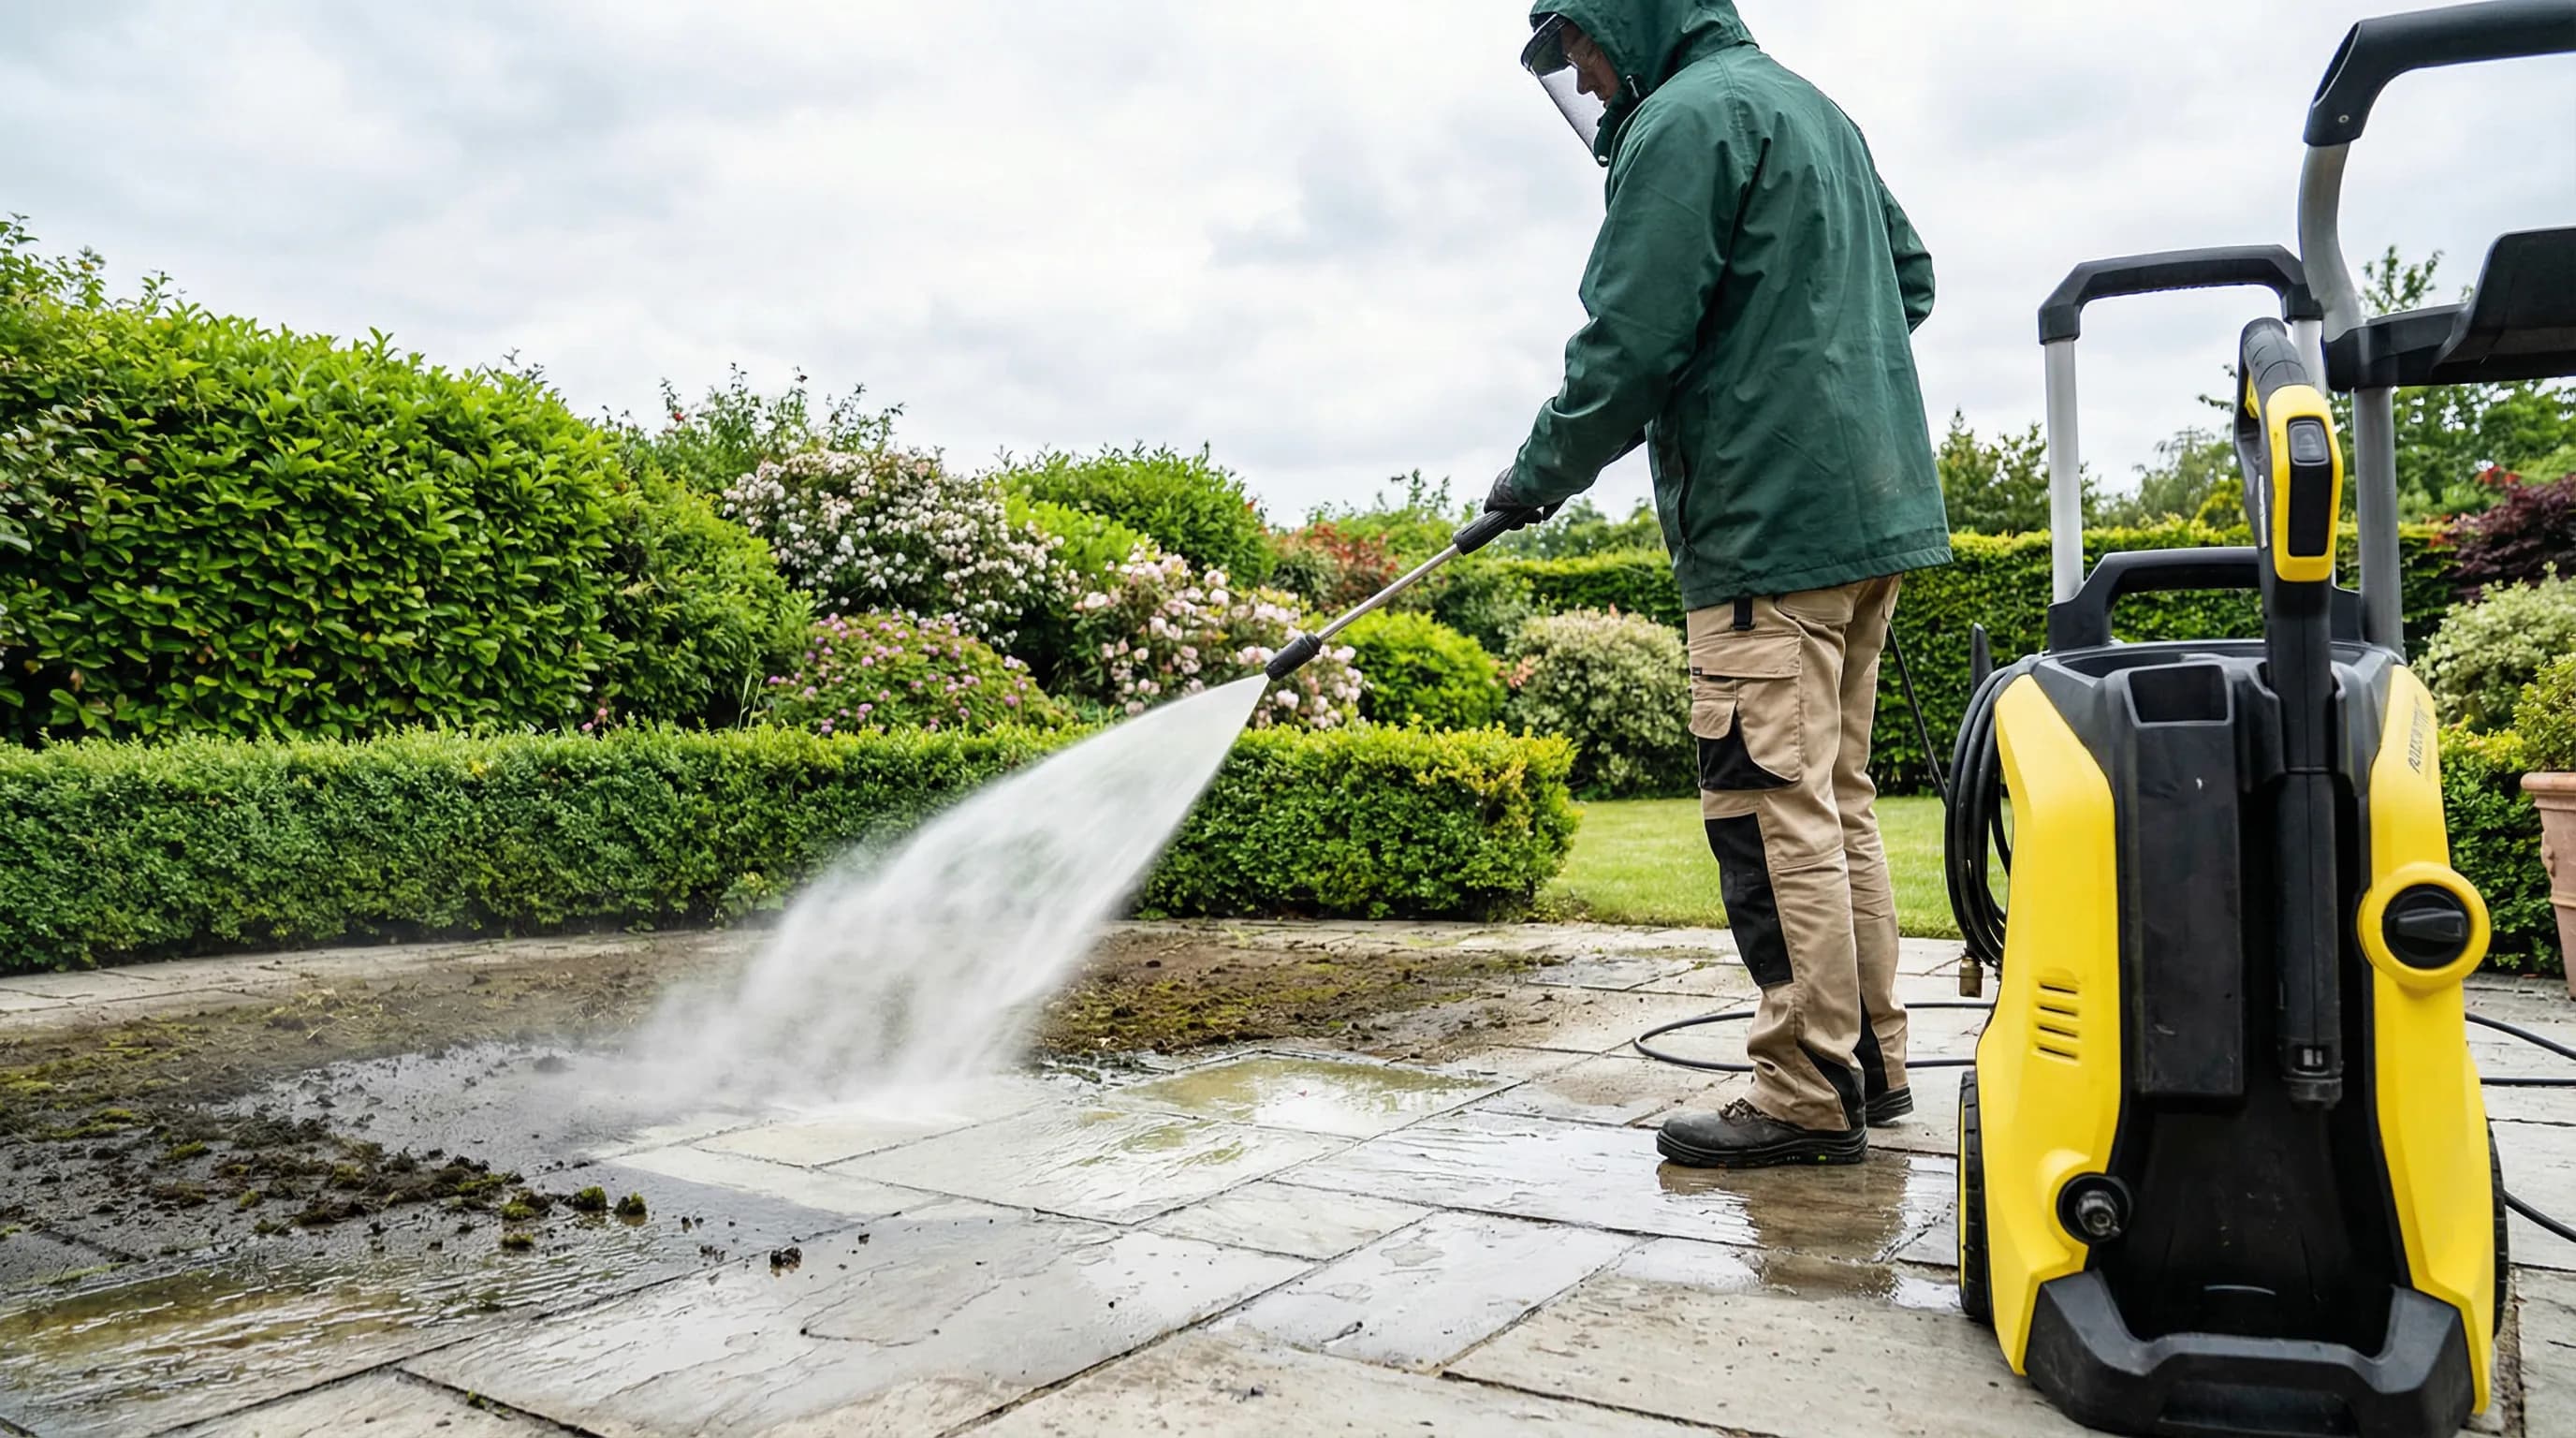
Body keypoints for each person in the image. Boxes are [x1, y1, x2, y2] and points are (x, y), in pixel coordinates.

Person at [1494, 1, 1949, 1168]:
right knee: (1836, 801)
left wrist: (1534, 478)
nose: (1586, 84)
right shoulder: (1812, 110)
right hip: (1869, 517)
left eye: (1582, 50)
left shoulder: (1683, 123)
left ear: (1624, 19)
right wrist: (1801, 358)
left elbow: (1630, 342)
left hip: (1763, 529)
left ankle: (1803, 1088)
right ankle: (1870, 1063)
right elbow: (1909, 278)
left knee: (1765, 808)